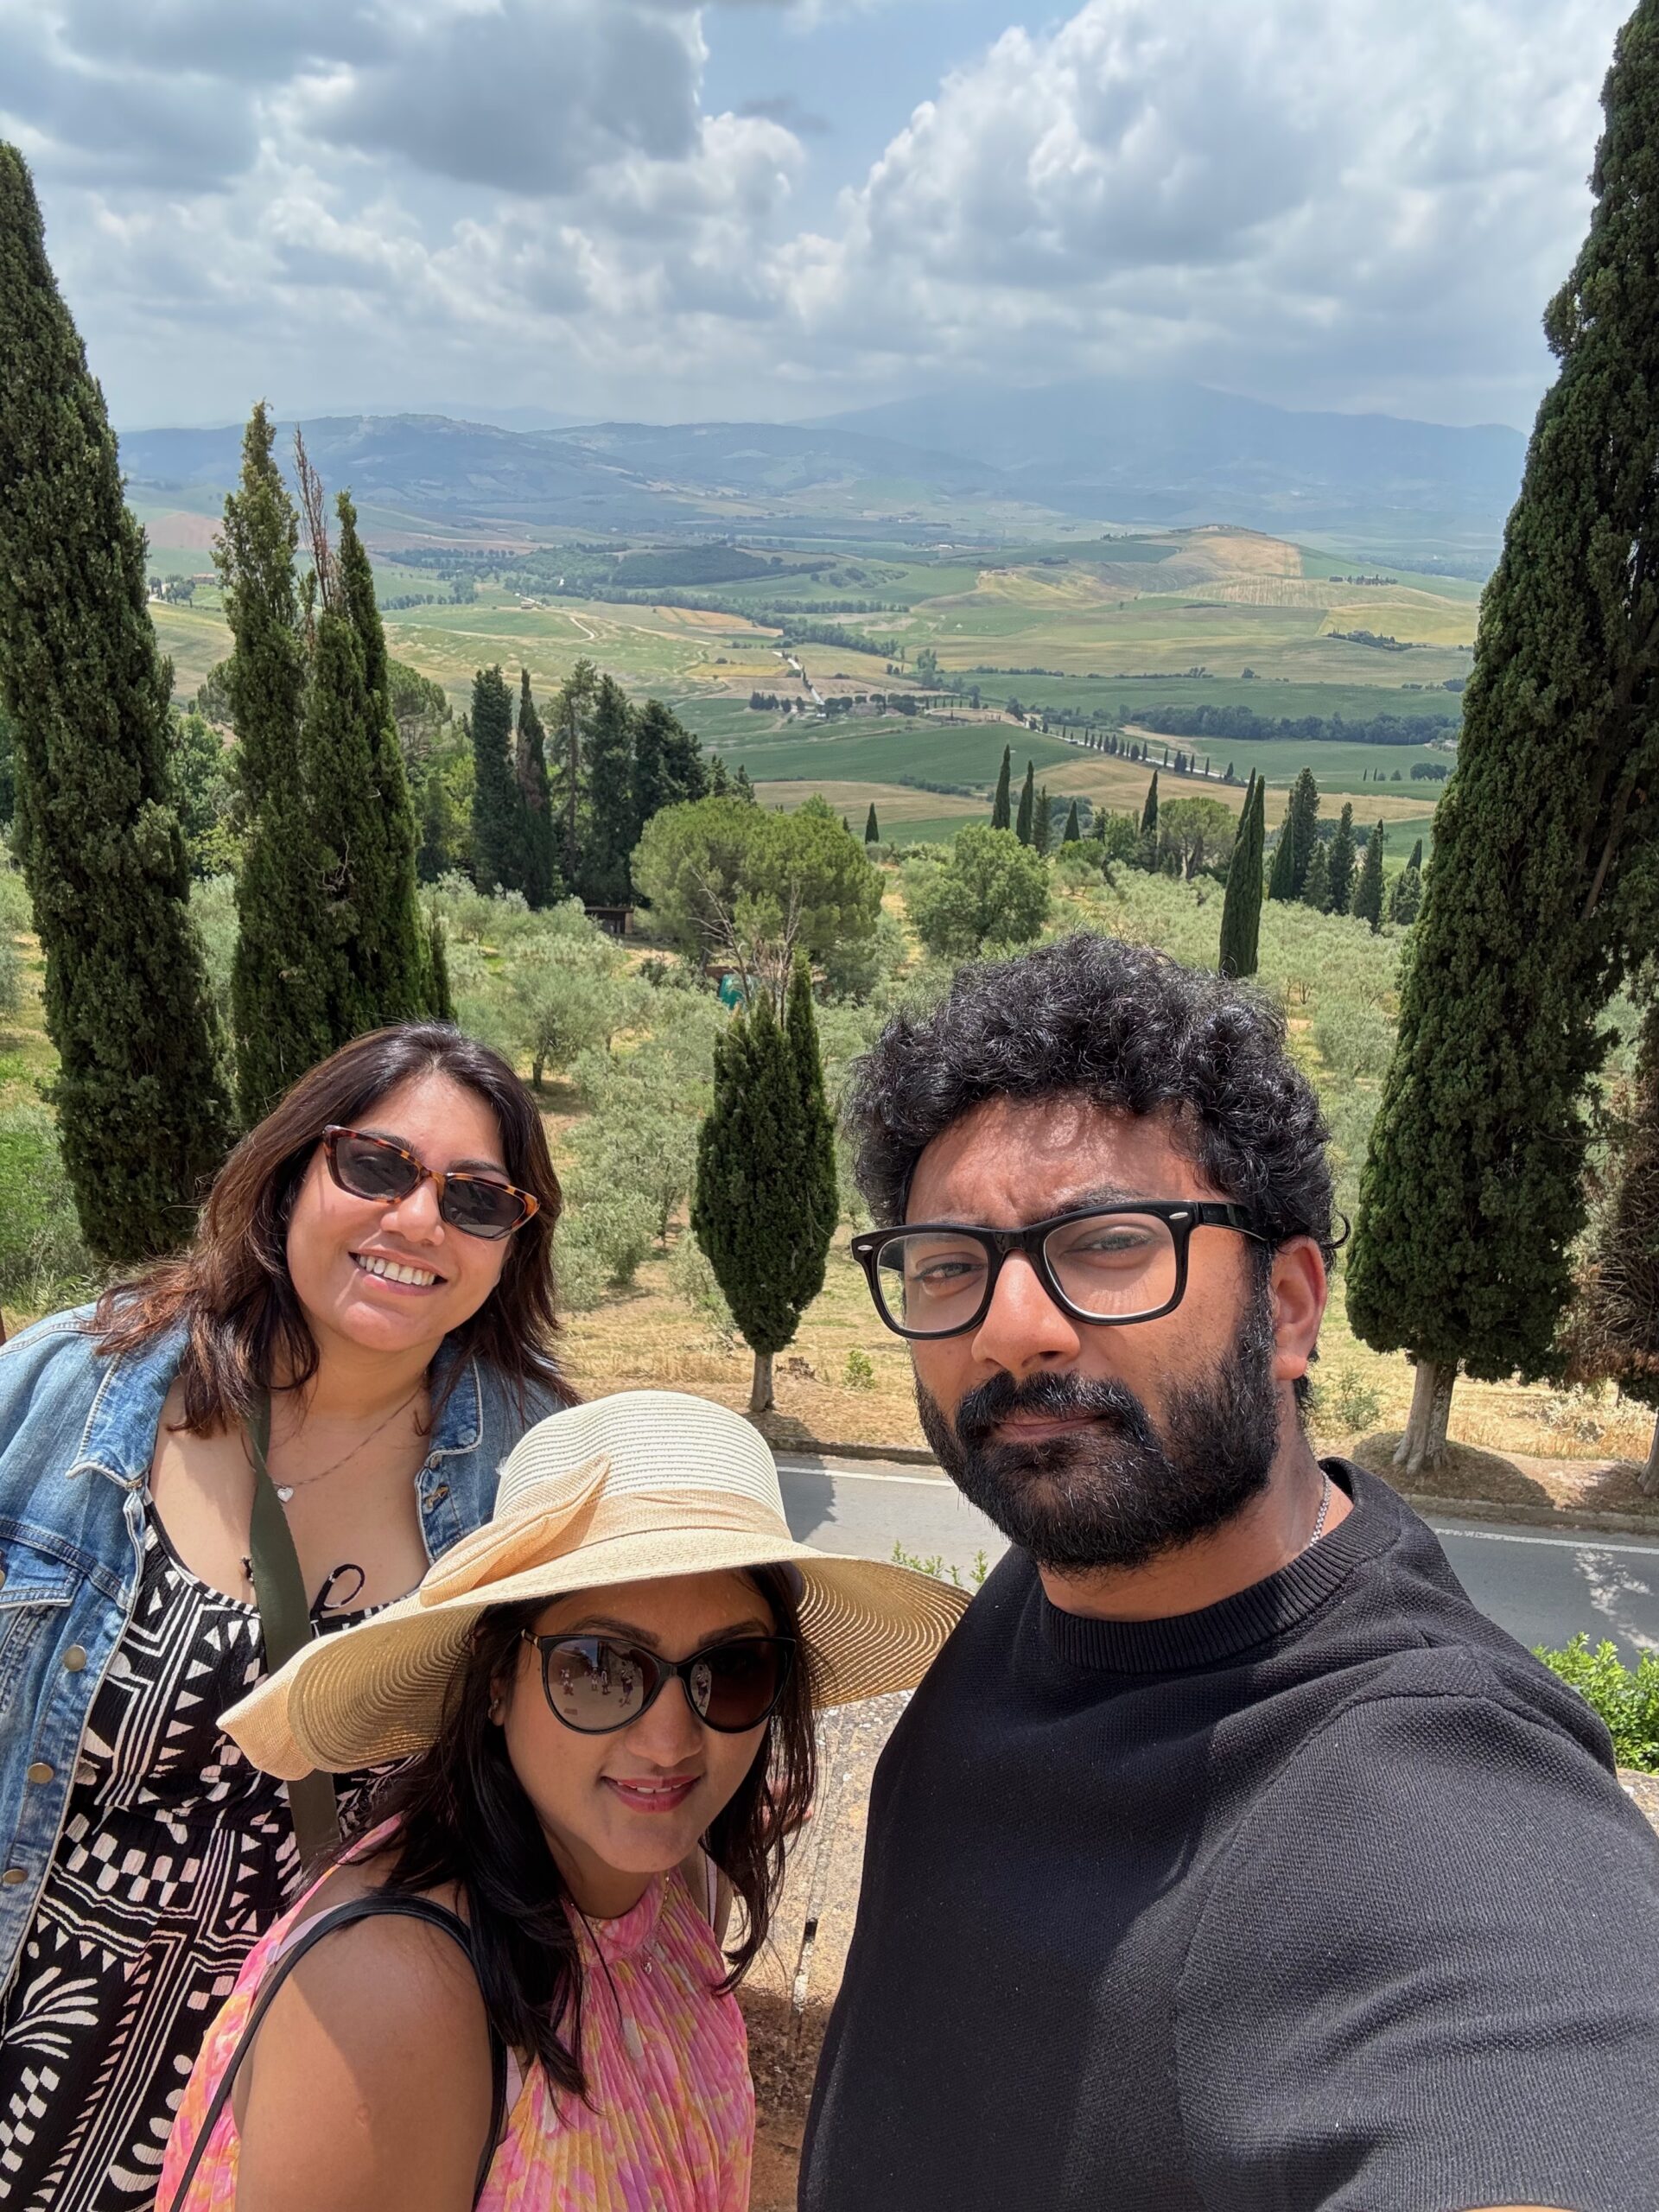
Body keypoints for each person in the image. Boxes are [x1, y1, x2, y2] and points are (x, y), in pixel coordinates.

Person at [799, 931, 1659, 2212]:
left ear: (1289, 1308)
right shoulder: (1065, 1568)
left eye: (1107, 1243)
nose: (1011, 1329)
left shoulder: (1436, 1784)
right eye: (948, 1266)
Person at [0, 1023, 577, 2212]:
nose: (417, 1219)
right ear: (294, 1167)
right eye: (377, 1165)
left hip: (298, 2101)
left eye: (476, 1198)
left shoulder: (538, 1477)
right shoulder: (70, 1387)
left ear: (513, 1243)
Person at [158, 1387, 965, 2212]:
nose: (670, 1742)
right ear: (497, 1681)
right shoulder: (396, 1996)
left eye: (731, 1669)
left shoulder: (680, 1888)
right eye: (598, 1668)